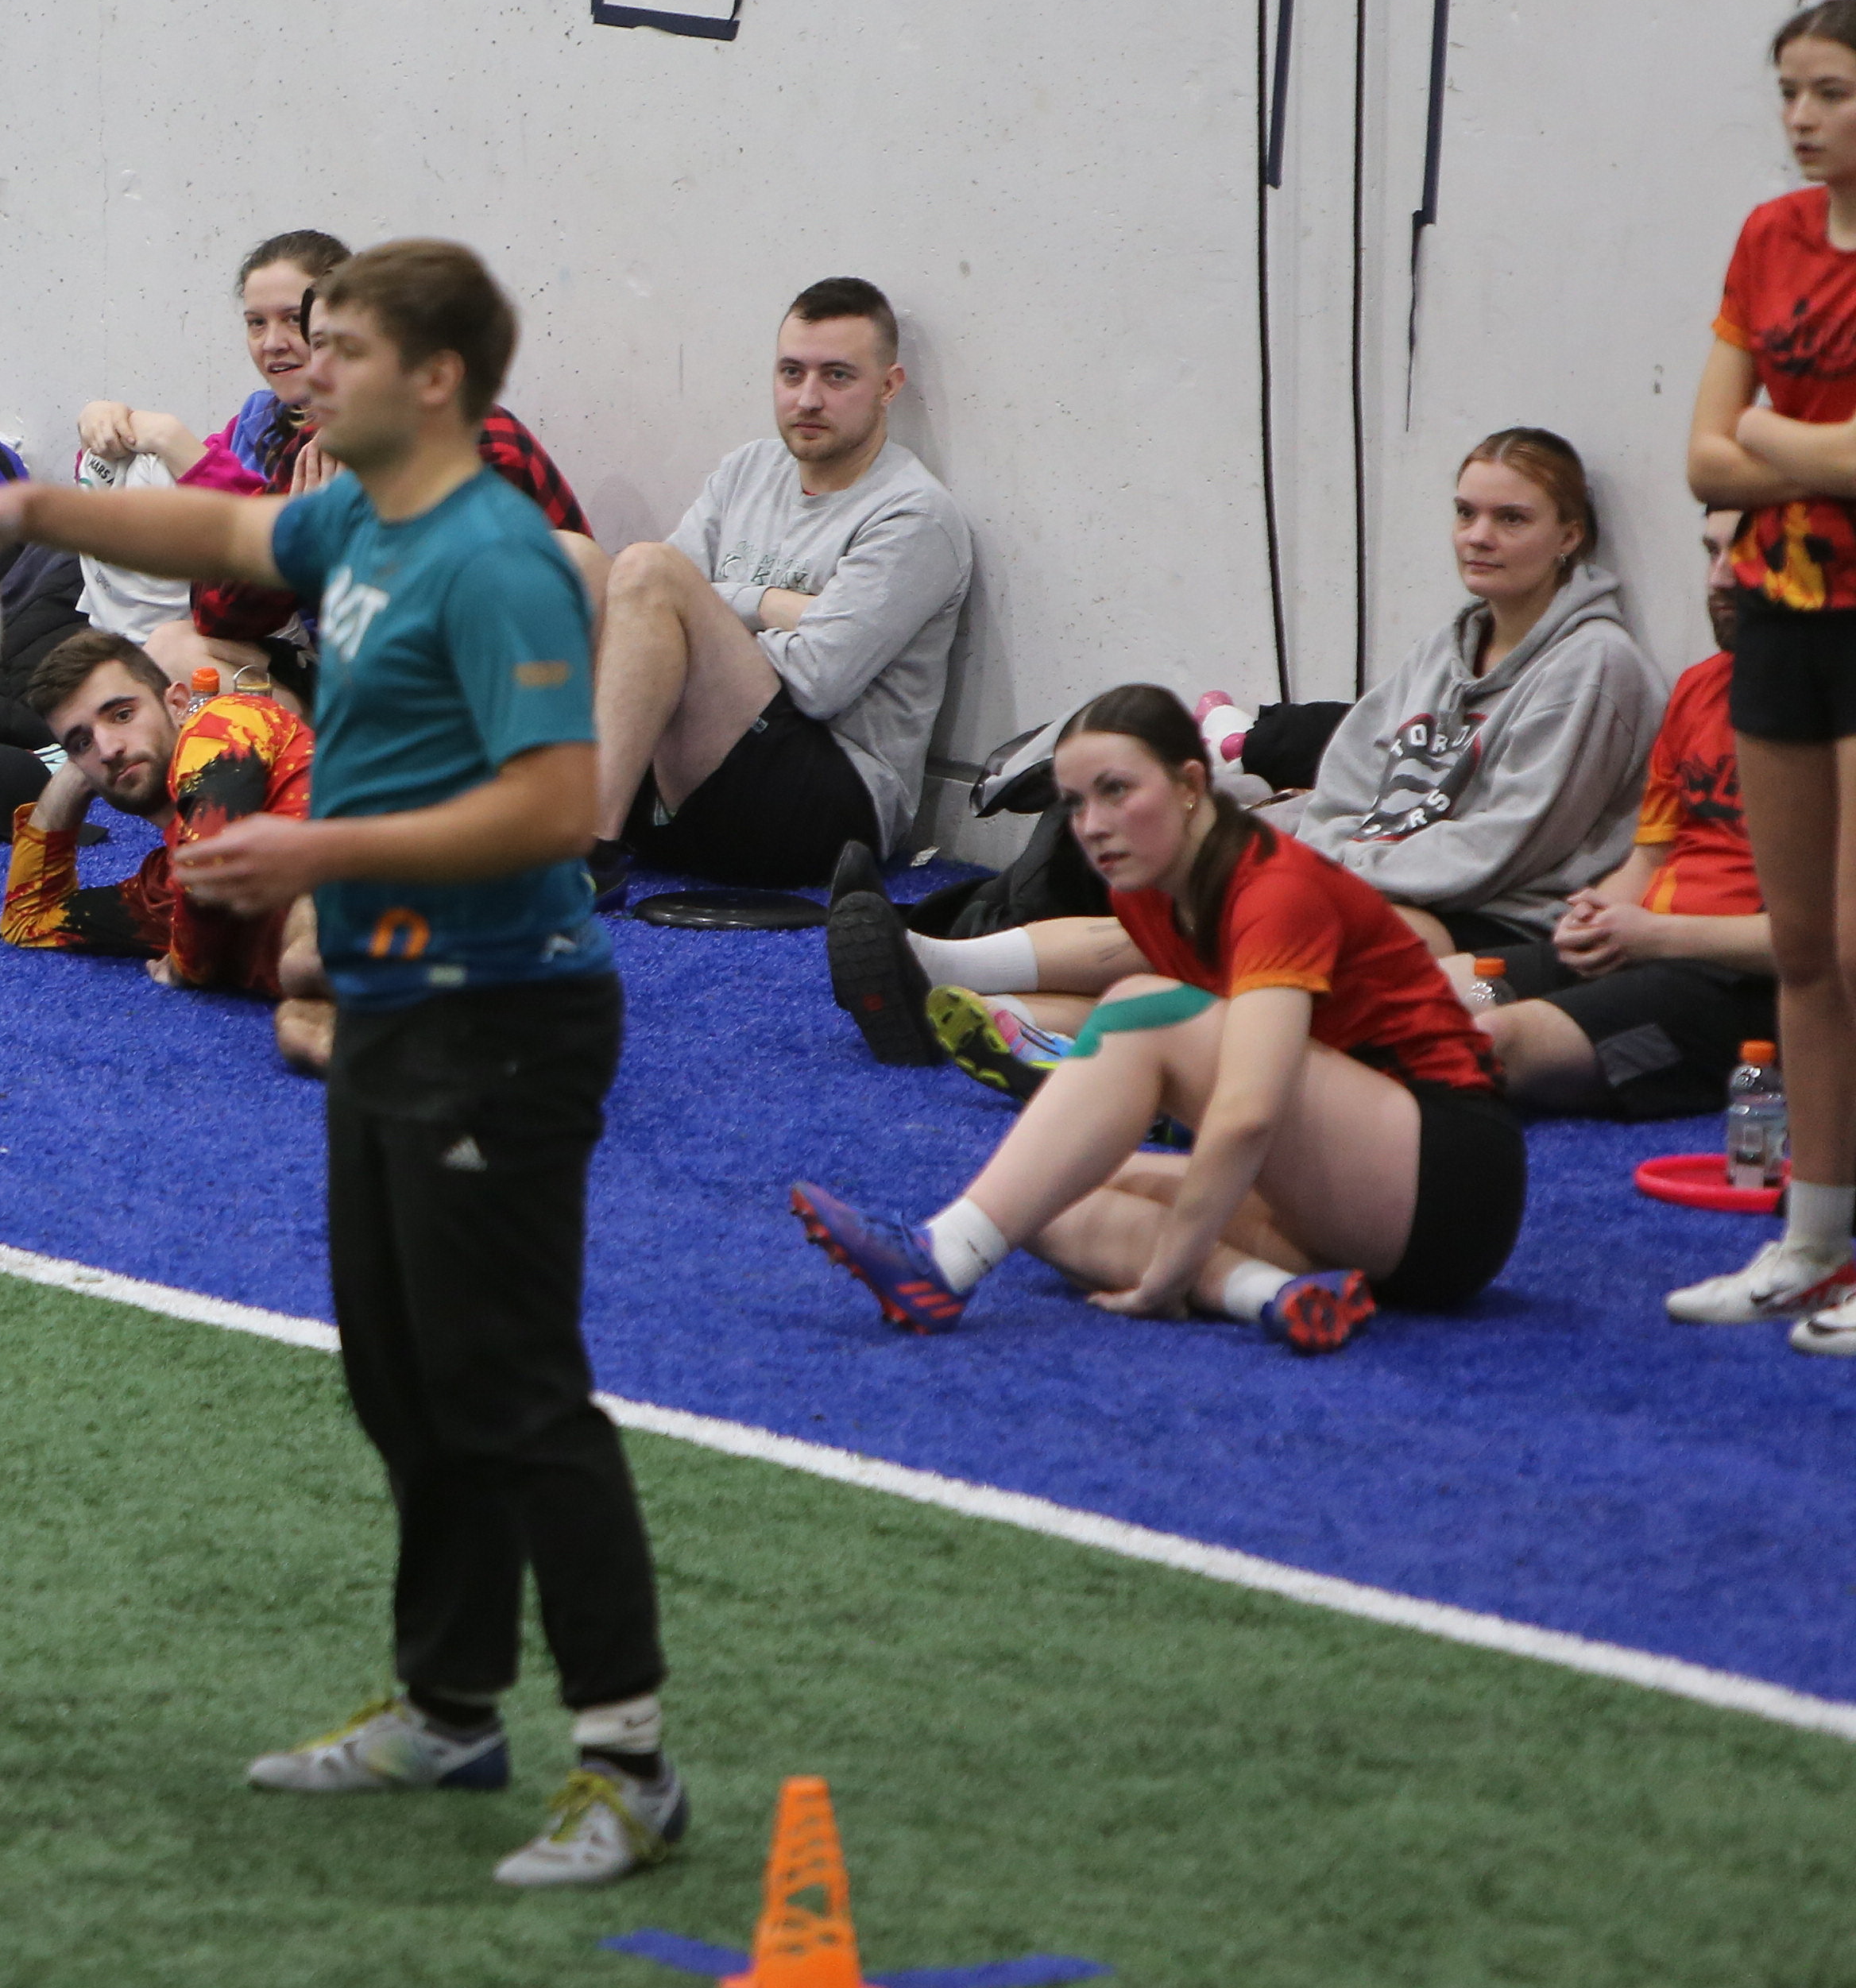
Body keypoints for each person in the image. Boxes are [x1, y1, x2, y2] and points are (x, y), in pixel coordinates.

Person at [0, 240, 682, 1893]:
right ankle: (451, 1708)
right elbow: (221, 537)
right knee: (400, 1374)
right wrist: (32, 511)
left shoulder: (496, 561)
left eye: (342, 345)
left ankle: (633, 1762)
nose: (306, 366)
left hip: (504, 1015)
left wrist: (315, 847)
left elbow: (555, 809)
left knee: (513, 1387)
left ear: (436, 380)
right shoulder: (354, 518)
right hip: (393, 1002)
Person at [786, 685, 1525, 1361]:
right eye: (1076, 804)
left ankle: (939, 1259)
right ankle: (1270, 1294)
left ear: (1191, 785)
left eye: (1116, 791)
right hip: (1360, 1191)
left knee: (1142, 1008)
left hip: (1451, 1183)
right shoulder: (1145, 895)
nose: (1092, 826)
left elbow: (1246, 1112)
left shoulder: (1275, 889)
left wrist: (1169, 1273)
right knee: (1041, 1198)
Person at [1676, 0, 1856, 1346]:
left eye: (1832, 93)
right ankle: (1811, 1239)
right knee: (1802, 950)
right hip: (1785, 615)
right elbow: (1704, 455)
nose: (1801, 118)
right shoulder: (1769, 235)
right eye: (1789, 91)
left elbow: (1752, 440)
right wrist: (1812, 452)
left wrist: (1773, 441)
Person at [73, 230, 597, 678]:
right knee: (171, 645)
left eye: (299, 326)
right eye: (257, 323)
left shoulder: (477, 438)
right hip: (350, 673)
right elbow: (216, 612)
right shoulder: (307, 438)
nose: (277, 345)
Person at [591, 277, 970, 894]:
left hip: (827, 811)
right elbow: (647, 608)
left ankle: (589, 854)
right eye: (792, 373)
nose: (808, 399)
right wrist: (769, 604)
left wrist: (696, 629)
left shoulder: (914, 515)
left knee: (647, 572)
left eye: (837, 376)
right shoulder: (747, 469)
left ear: (888, 386)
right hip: (702, 778)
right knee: (575, 563)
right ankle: (501, 809)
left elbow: (818, 682)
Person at [1275, 430, 1658, 979]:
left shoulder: (1595, 666)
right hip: (1387, 885)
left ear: (1569, 536)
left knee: (1284, 934)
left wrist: (1345, 869)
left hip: (1506, 918)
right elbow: (1346, 786)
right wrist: (1330, 864)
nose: (1478, 537)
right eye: (1465, 513)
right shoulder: (1441, 650)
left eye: (1511, 519)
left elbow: (1501, 846)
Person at [1475, 511, 1776, 1116]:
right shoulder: (1700, 688)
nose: (1718, 578)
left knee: (1486, 1043)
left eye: (1745, 555)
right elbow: (1648, 861)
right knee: (1405, 989)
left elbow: (1824, 942)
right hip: (1644, 946)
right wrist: (1591, 917)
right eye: (1711, 552)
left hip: (1742, 986)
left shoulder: (1835, 727)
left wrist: (1654, 937)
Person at [7, 626, 334, 1070]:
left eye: (122, 715)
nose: (108, 750)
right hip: (366, 983)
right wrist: (71, 784)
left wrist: (186, 965)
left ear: (178, 704)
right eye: (82, 742)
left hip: (386, 879)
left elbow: (211, 858)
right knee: (298, 1028)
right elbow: (28, 918)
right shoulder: (164, 889)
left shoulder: (227, 719)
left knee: (311, 932)